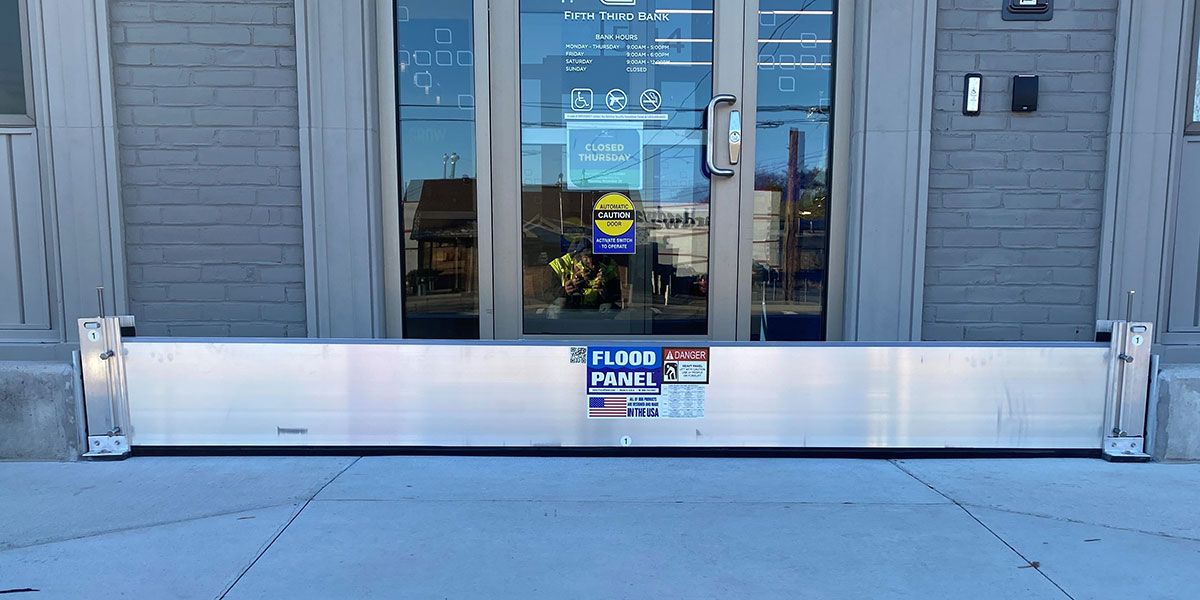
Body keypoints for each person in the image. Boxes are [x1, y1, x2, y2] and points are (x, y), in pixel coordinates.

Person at [547, 241, 620, 318]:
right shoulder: (559, 265)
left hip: (596, 307)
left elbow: (617, 297)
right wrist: (565, 290)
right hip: (569, 307)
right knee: (557, 308)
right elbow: (546, 295)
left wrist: (604, 290)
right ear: (576, 259)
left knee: (610, 309)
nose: (591, 263)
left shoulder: (608, 265)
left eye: (595, 258)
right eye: (586, 258)